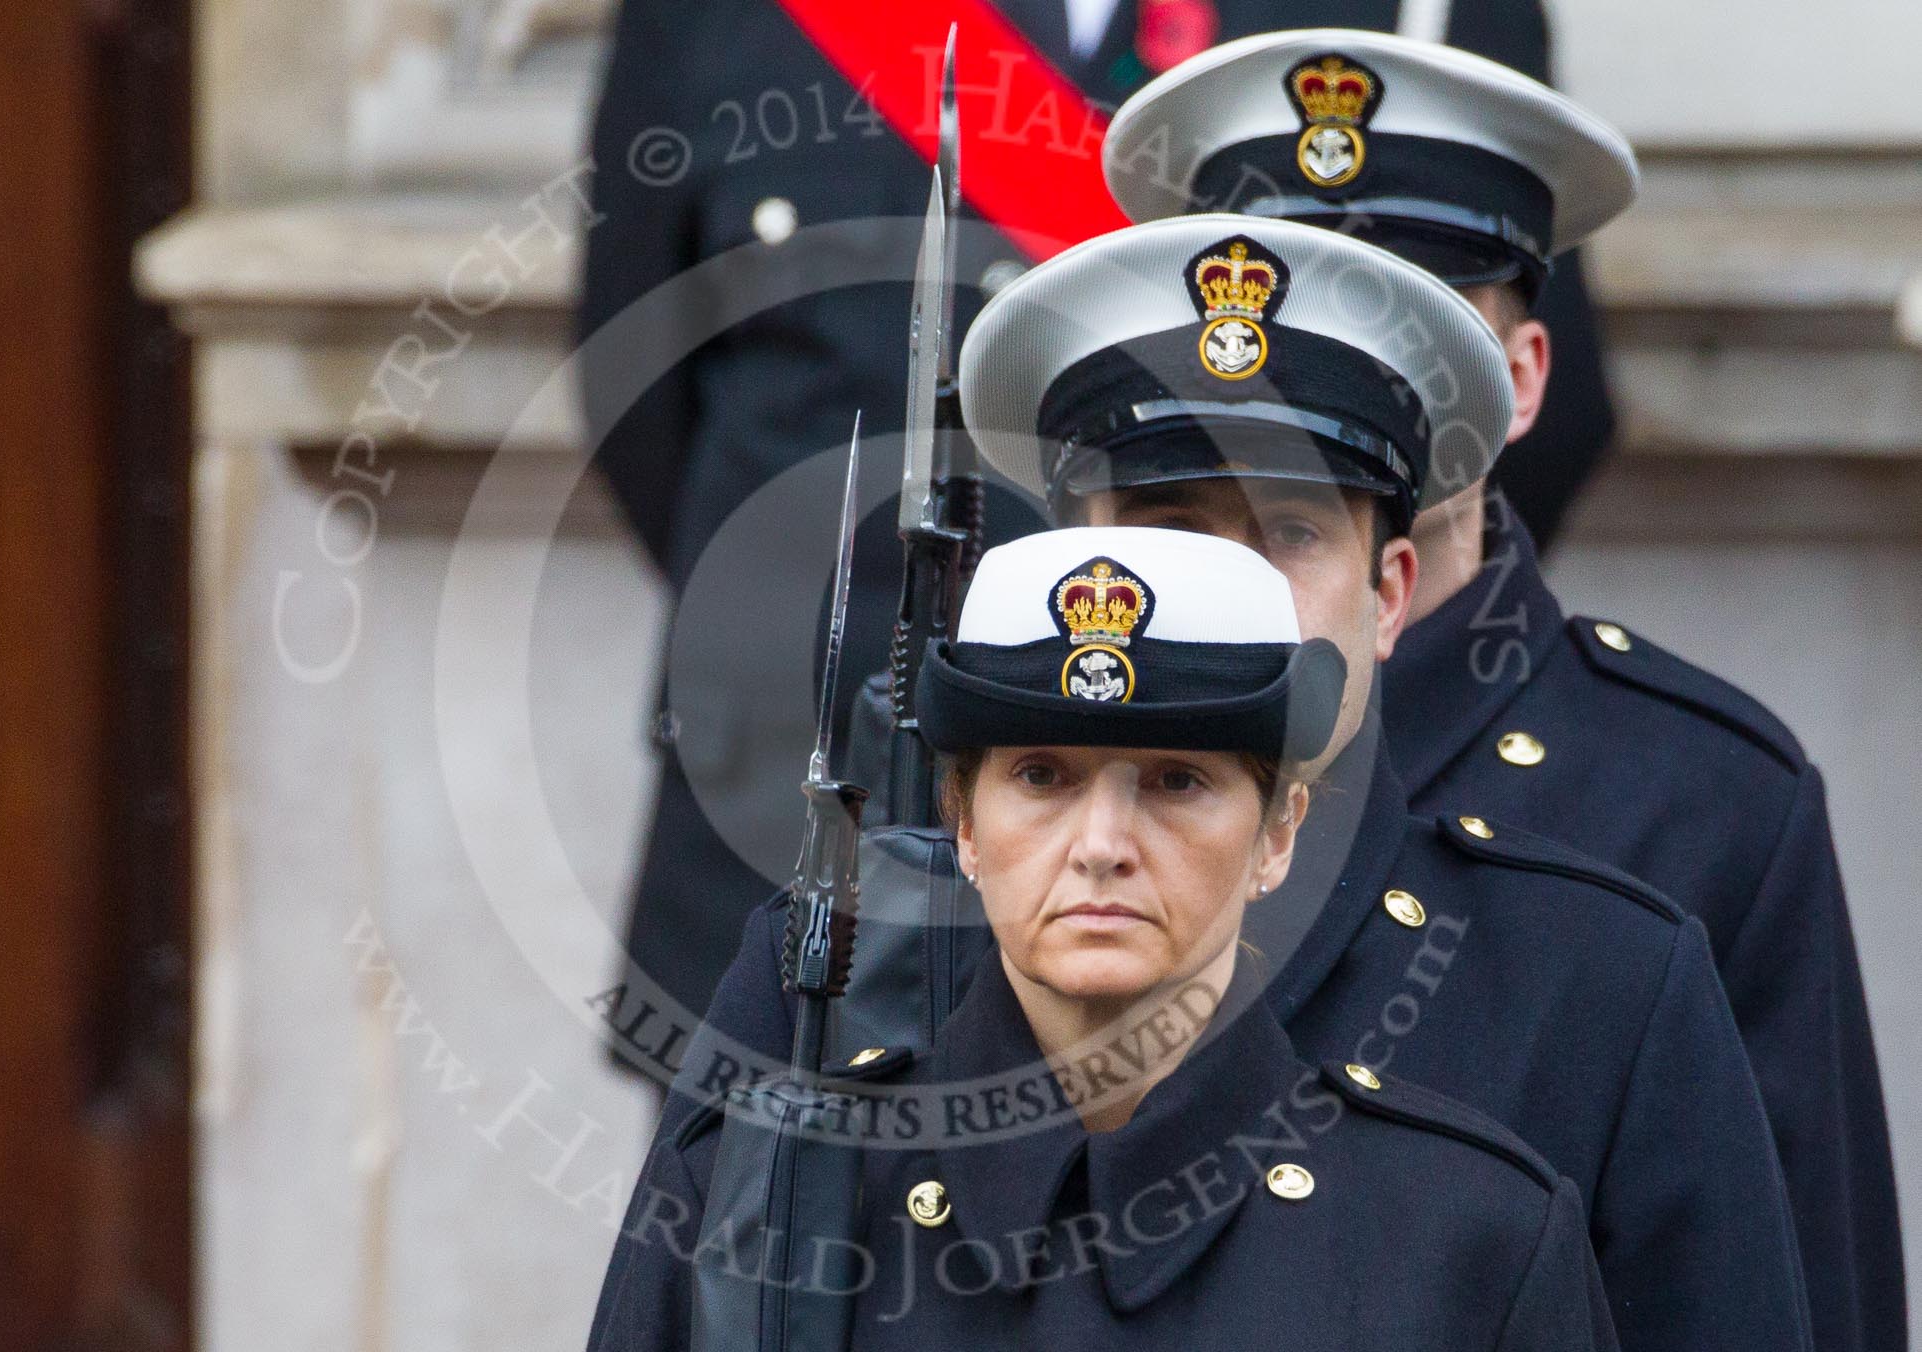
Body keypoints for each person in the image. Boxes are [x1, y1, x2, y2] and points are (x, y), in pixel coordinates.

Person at [643, 216, 1812, 1352]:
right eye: (1168, 526)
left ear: (1392, 589)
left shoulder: (1600, 980)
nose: (1225, 595)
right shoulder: (843, 957)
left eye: (1292, 533)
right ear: (1076, 558)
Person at [1093, 31, 1901, 1352]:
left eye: (1395, 322)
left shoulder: (1702, 799)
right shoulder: (1031, 788)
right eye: (1287, 316)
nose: (1324, 379)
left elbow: (1800, 1302)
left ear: (1522, 378)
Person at [578, 0, 1611, 1032]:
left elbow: (1495, 439)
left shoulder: (1411, 21)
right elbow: (635, 386)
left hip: (1221, 876)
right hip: (798, 829)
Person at [589, 526, 1620, 1352]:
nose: (1102, 845)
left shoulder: (1468, 1239)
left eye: (1178, 781)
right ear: (962, 821)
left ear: (1278, 834)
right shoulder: (759, 1195)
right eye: (1042, 775)